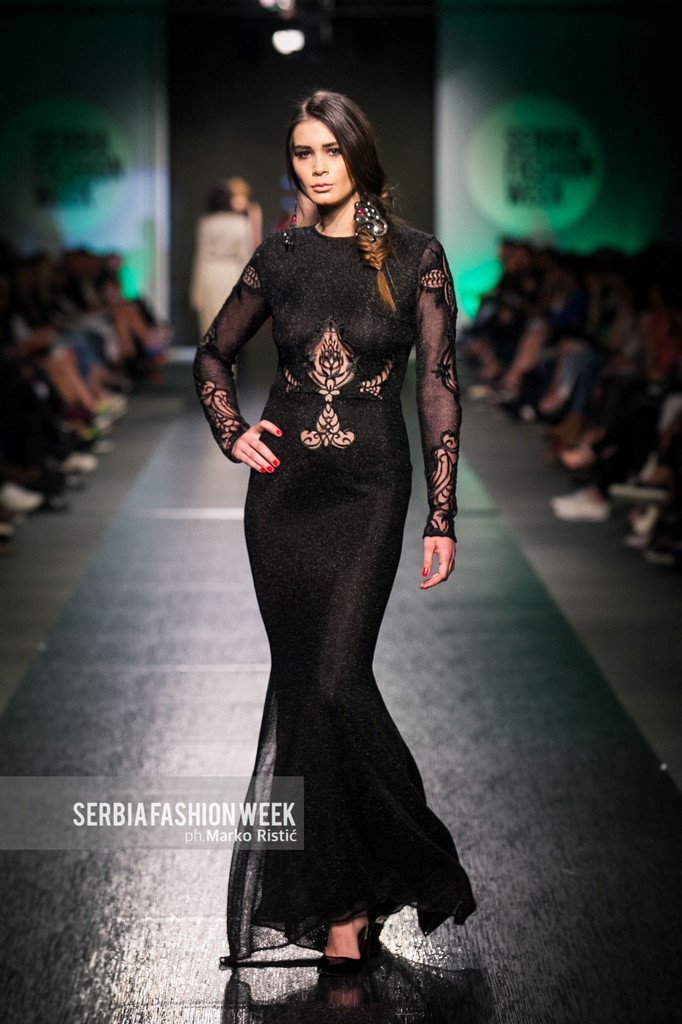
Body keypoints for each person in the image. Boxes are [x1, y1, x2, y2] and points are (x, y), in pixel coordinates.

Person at [193, 90, 476, 975]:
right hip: (282, 499)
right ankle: (344, 909)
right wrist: (231, 431)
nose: (315, 167)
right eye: (302, 153)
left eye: (329, 150)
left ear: (358, 154)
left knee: (336, 681)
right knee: (306, 694)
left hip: (368, 492)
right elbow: (212, 352)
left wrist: (441, 515)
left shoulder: (417, 256)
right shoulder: (278, 257)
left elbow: (438, 386)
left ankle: (413, 852)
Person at [190, 177, 262, 338]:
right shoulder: (241, 223)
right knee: (231, 328)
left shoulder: (206, 223)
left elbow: (201, 257)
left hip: (210, 273)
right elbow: (245, 257)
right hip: (232, 273)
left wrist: (196, 292)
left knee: (210, 328)